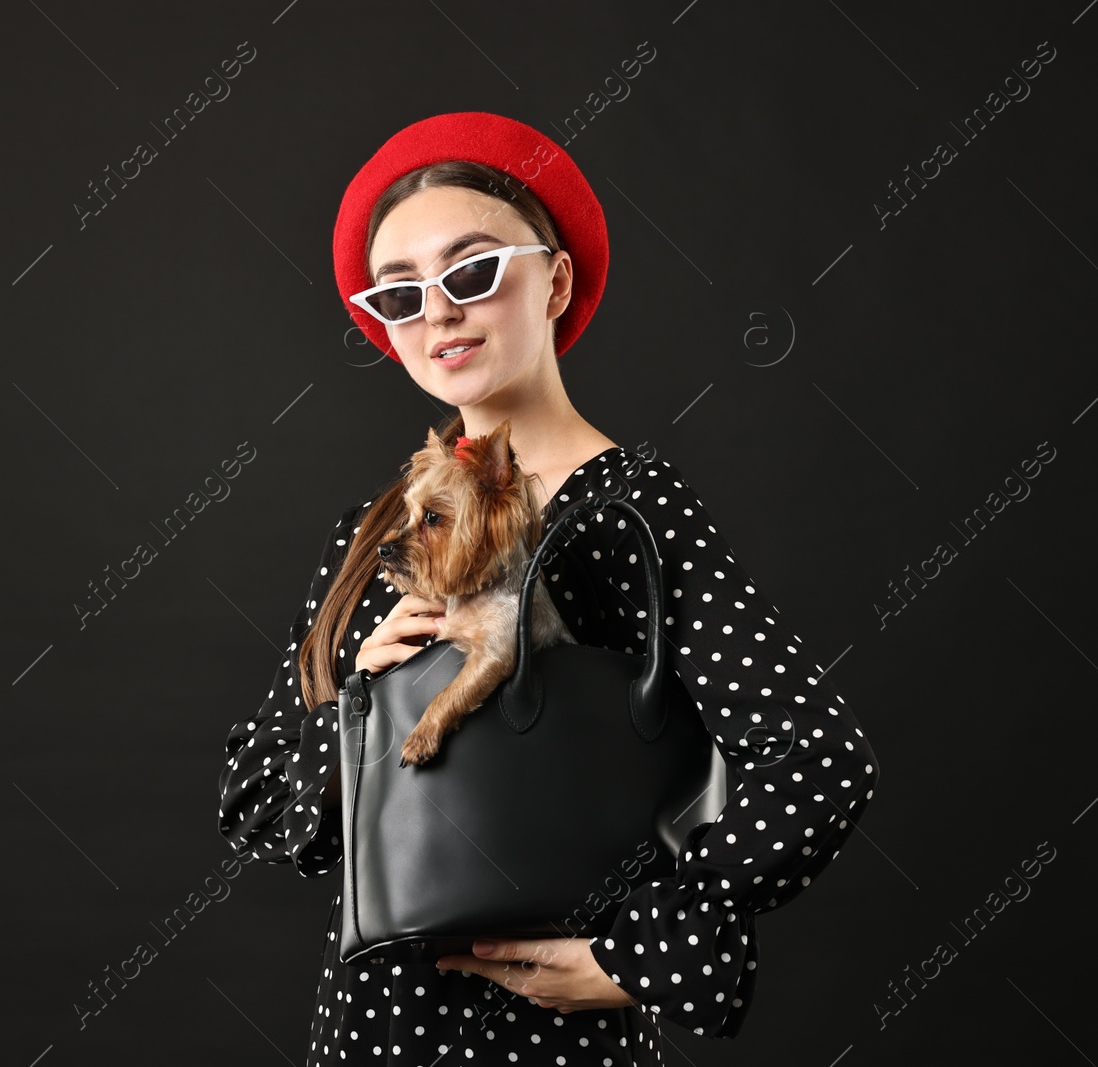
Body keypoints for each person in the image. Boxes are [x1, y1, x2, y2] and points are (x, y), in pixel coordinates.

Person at [218, 111, 881, 1065]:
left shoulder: (633, 516)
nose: (438, 311)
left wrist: (639, 951)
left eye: (472, 271)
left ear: (555, 279)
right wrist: (357, 705)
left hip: (550, 1045)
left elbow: (818, 758)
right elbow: (255, 795)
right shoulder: (382, 538)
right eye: (400, 294)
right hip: (373, 1035)